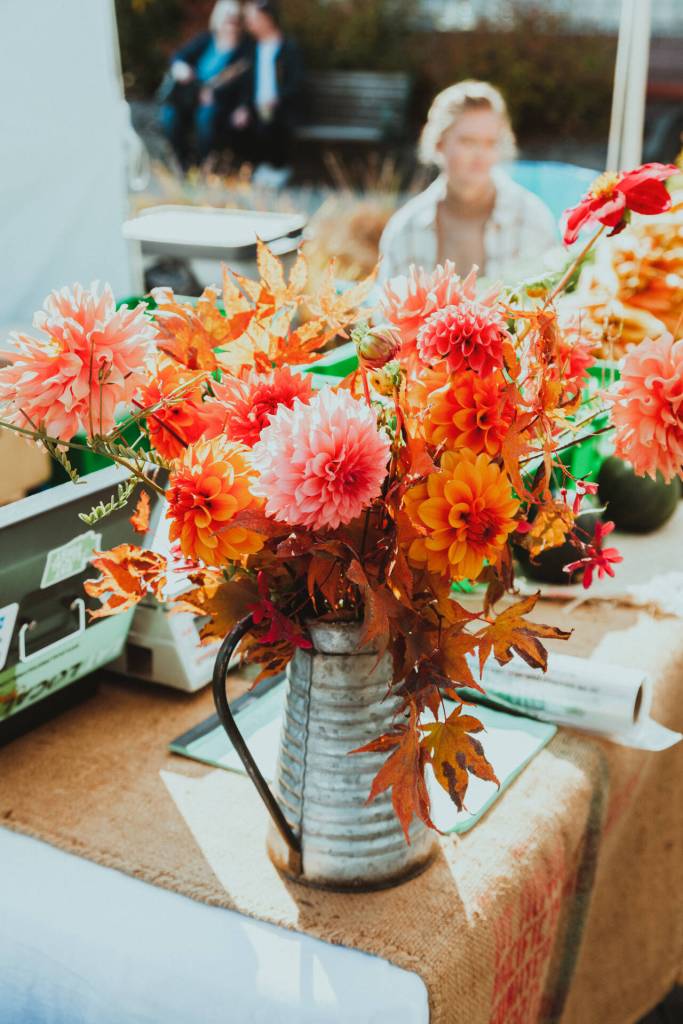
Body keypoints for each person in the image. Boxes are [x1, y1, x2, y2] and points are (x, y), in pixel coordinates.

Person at [379, 81, 557, 283]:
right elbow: (387, 312)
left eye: (490, 143)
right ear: (439, 143)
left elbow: (553, 304)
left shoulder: (531, 219)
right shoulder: (405, 230)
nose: (480, 155)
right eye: (468, 141)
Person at [159, 1, 252, 168]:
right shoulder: (206, 39)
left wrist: (242, 106)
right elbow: (178, 57)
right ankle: (182, 162)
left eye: (235, 19)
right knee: (169, 115)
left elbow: (246, 84)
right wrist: (182, 68)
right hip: (191, 95)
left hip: (220, 102)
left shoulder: (244, 49)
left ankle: (204, 165)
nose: (231, 23)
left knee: (205, 117)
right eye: (227, 19)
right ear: (219, 19)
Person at [233, 0, 305, 179]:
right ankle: (251, 169)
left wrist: (277, 99)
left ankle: (277, 168)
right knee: (235, 122)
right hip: (255, 107)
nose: (249, 22)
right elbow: (245, 85)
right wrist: (243, 106)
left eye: (253, 17)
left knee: (270, 121)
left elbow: (296, 84)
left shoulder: (289, 48)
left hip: (281, 107)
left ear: (267, 18)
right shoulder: (250, 49)